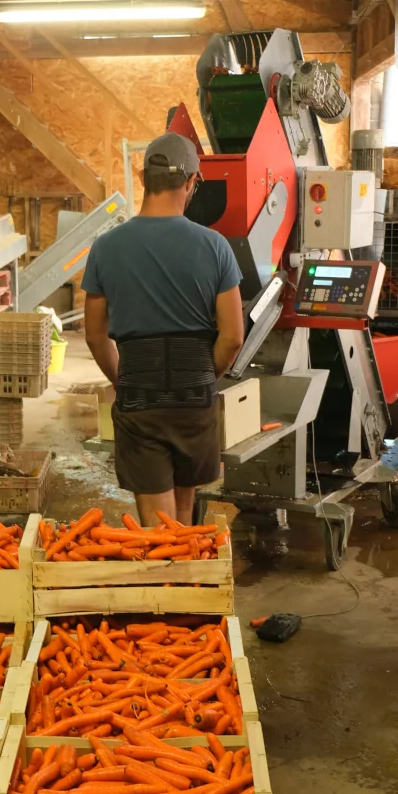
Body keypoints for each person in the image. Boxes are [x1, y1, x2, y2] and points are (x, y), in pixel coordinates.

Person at [82, 131, 244, 527]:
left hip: (141, 396)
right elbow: (234, 336)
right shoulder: (215, 246)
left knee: (157, 529)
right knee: (183, 521)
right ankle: (188, 583)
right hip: (195, 396)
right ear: (191, 182)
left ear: (142, 179)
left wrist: (123, 379)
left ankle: (167, 587)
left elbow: (94, 335)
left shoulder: (106, 248)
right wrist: (207, 373)